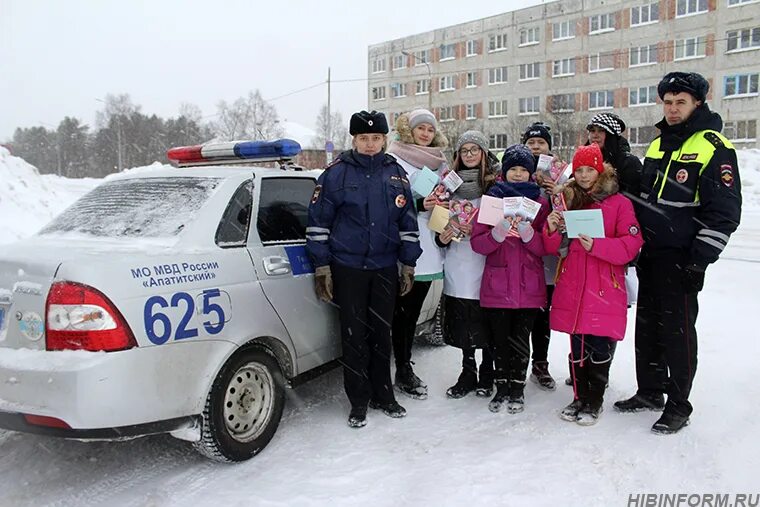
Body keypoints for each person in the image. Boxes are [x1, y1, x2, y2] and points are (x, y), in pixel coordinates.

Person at [614, 72, 742, 434]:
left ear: (697, 103)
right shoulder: (658, 145)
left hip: (682, 258)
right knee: (648, 328)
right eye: (668, 103)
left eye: (680, 103)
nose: (672, 109)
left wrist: (699, 260)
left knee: (678, 332)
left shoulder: (713, 146)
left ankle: (679, 405)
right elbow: (643, 198)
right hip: (651, 255)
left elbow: (725, 212)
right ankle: (650, 391)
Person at [306, 110, 422, 428]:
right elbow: (318, 225)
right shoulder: (335, 175)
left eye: (375, 138)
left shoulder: (396, 174)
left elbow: (408, 223)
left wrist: (409, 263)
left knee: (381, 334)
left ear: (384, 140)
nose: (370, 144)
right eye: (363, 138)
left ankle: (384, 395)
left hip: (384, 267)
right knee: (354, 336)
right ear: (354, 140)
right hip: (348, 268)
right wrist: (322, 267)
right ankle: (358, 401)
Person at [543, 143, 644, 425]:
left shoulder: (619, 203)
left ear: (600, 170)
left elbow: (631, 243)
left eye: (590, 169)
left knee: (599, 345)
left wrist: (597, 245)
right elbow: (553, 247)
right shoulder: (568, 200)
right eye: (580, 170)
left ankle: (594, 400)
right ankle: (578, 397)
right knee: (577, 345)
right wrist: (550, 227)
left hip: (603, 285)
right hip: (573, 282)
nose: (585, 175)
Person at [471, 144, 549, 413]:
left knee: (521, 340)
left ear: (530, 173)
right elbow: (477, 243)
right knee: (498, 341)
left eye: (523, 170)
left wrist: (529, 235)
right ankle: (501, 386)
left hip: (529, 286)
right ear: (504, 172)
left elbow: (546, 248)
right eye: (513, 169)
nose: (518, 174)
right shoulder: (492, 200)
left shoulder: (540, 202)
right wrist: (497, 233)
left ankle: (517, 388)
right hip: (498, 285)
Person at [387, 108, 449, 400]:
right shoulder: (394, 157)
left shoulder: (440, 162)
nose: (425, 133)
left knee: (412, 312)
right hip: (402, 245)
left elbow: (449, 197)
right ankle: (400, 366)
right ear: (409, 130)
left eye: (429, 129)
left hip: (431, 243)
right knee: (400, 312)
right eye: (420, 128)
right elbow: (389, 199)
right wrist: (417, 202)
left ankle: (403, 365)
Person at [435, 131, 499, 399]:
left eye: (475, 149)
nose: (470, 154)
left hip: (486, 264)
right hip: (458, 266)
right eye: (465, 150)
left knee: (487, 323)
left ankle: (487, 371)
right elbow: (438, 229)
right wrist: (443, 236)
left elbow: (499, 231)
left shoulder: (495, 186)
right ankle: (467, 370)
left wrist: (480, 233)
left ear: (484, 153)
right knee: (463, 323)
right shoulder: (447, 188)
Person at [521, 122, 566, 391]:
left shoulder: (561, 176)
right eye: (531, 143)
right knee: (521, 313)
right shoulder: (516, 172)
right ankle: (517, 362)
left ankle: (540, 362)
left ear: (549, 147)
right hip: (523, 251)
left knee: (542, 313)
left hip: (548, 255)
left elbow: (571, 205)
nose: (536, 147)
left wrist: (556, 192)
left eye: (541, 143)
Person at [584, 112, 642, 198]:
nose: (595, 135)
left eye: (601, 130)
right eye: (592, 131)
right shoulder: (583, 160)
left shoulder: (629, 163)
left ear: (611, 136)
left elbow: (633, 200)